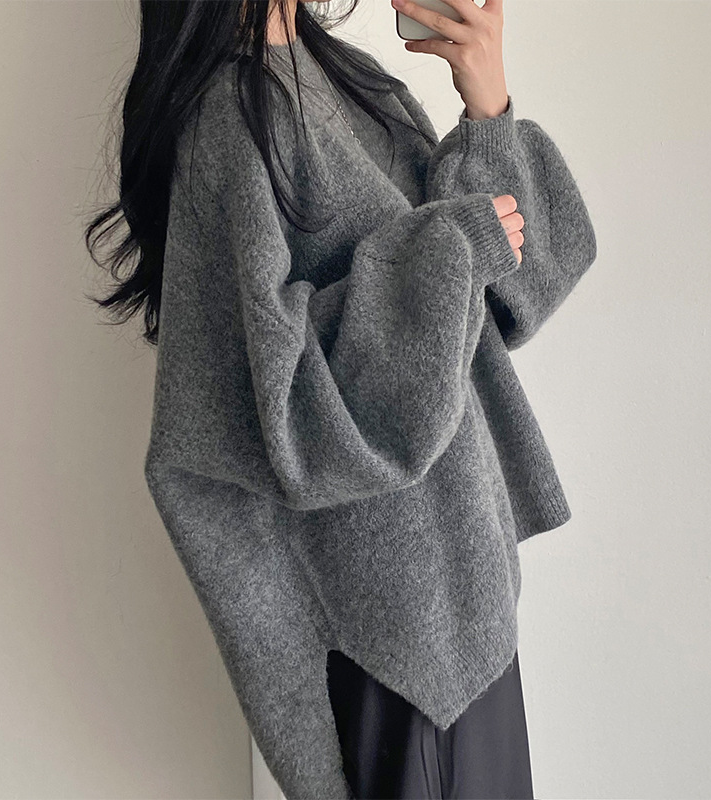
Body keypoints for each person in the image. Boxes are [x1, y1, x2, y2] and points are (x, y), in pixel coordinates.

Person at [85, 0, 597, 797]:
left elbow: (508, 297)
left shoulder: (348, 80)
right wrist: (447, 250)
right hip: (395, 654)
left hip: (462, 608)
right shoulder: (229, 120)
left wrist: (487, 108)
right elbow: (276, 402)